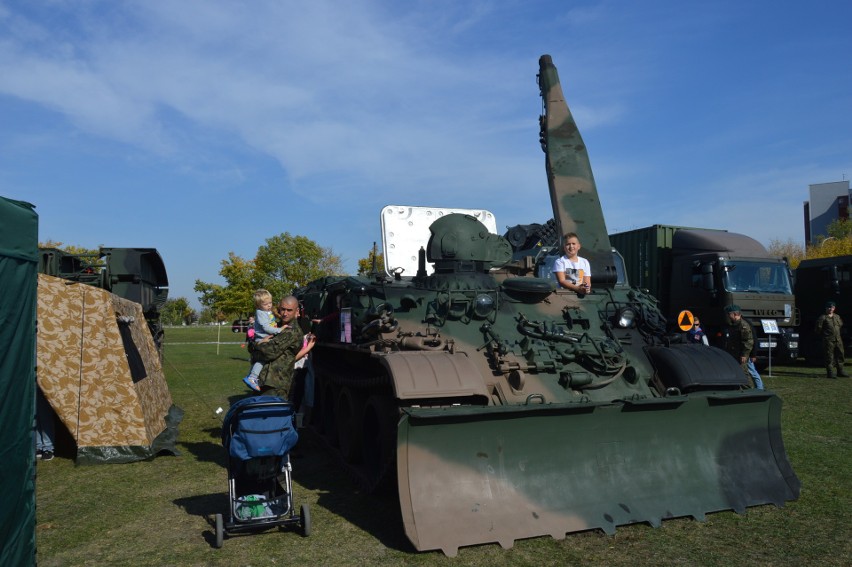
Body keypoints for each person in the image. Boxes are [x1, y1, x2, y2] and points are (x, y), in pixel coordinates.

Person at [253, 295, 317, 400]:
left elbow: (268, 353)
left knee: (271, 413)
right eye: (282, 309)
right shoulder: (276, 327)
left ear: (296, 311)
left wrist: (255, 345)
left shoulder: (291, 331)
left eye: (289, 310)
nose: (285, 313)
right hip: (263, 380)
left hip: (275, 383)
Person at [242, 290, 282, 392]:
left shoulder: (266, 312)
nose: (269, 305)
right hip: (262, 339)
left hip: (268, 337)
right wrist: (279, 330)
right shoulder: (260, 313)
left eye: (270, 303)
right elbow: (266, 328)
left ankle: (250, 376)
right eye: (265, 304)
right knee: (262, 359)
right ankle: (253, 377)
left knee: (258, 359)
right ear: (258, 305)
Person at [724, 304, 764, 390]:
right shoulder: (734, 324)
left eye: (729, 314)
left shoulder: (743, 325)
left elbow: (748, 341)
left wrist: (745, 355)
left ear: (734, 314)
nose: (728, 316)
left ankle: (748, 390)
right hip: (734, 354)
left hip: (741, 355)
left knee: (744, 374)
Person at [815, 300, 847, 379]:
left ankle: (840, 371)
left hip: (838, 340)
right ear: (826, 308)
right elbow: (818, 329)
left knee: (840, 355)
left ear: (834, 308)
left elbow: (840, 325)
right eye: (829, 307)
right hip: (828, 340)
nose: (830, 309)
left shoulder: (837, 316)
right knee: (829, 357)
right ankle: (830, 373)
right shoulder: (823, 317)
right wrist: (825, 336)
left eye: (832, 307)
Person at [35, 385, 56, 461]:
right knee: (35, 418)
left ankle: (48, 448)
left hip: (43, 384)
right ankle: (38, 447)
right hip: (31, 384)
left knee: (45, 417)